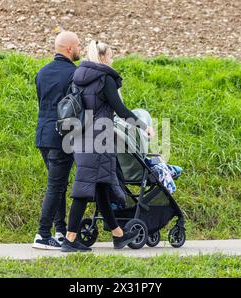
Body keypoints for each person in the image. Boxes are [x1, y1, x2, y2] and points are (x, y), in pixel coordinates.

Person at [61, 40, 154, 252]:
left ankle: (118, 236)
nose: (112, 59)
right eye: (110, 55)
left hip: (81, 138)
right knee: (83, 190)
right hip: (98, 141)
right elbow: (120, 110)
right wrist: (143, 126)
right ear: (103, 58)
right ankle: (70, 239)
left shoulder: (78, 77)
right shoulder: (104, 79)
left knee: (102, 188)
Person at [33, 31, 82, 250]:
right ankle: (43, 235)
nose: (80, 48)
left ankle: (60, 232)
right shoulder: (75, 74)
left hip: (43, 134)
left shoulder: (42, 72)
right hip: (62, 137)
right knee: (55, 186)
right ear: (70, 48)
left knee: (58, 185)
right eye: (78, 45)